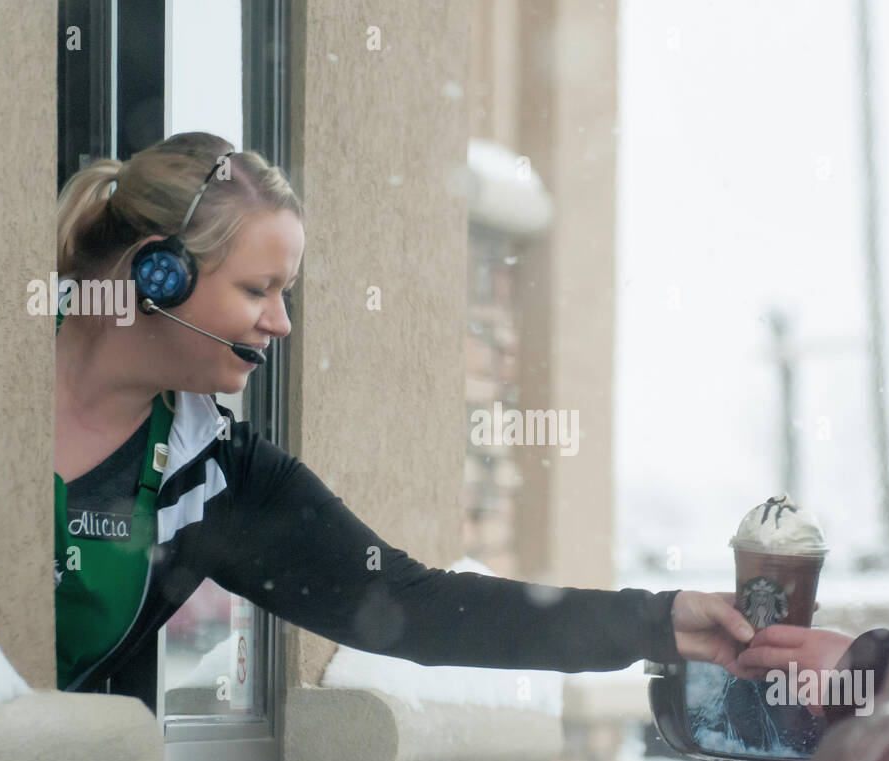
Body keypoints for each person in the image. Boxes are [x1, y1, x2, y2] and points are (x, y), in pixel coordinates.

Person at [53, 131, 771, 712]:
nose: (281, 322)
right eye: (257, 290)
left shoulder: (218, 478)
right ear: (159, 275)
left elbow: (417, 605)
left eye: (285, 292)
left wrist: (658, 622)